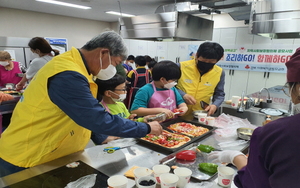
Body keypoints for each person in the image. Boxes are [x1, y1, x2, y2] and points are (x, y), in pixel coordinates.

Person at [0, 31, 162, 177]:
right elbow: (96, 118)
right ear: (103, 53)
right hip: (28, 156)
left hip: (53, 153)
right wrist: (146, 128)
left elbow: (80, 112)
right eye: (115, 63)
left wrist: (100, 136)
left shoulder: (79, 68)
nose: (114, 68)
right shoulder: (68, 74)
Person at [207, 48, 300, 188]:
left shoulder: (276, 133)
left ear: (298, 88)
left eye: (288, 87)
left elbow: (252, 184)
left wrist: (236, 158)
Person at [92, 74, 147, 145]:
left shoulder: (121, 105)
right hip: (109, 145)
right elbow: (100, 131)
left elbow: (129, 122)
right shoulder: (100, 109)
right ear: (108, 93)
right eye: (123, 89)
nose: (125, 92)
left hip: (123, 141)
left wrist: (143, 120)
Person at [176, 42, 225, 117]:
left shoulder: (219, 72)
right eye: (204, 61)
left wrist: (215, 105)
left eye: (211, 62)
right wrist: (183, 95)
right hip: (177, 112)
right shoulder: (181, 67)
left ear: (218, 59)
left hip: (200, 115)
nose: (206, 63)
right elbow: (167, 86)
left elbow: (219, 94)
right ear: (197, 55)